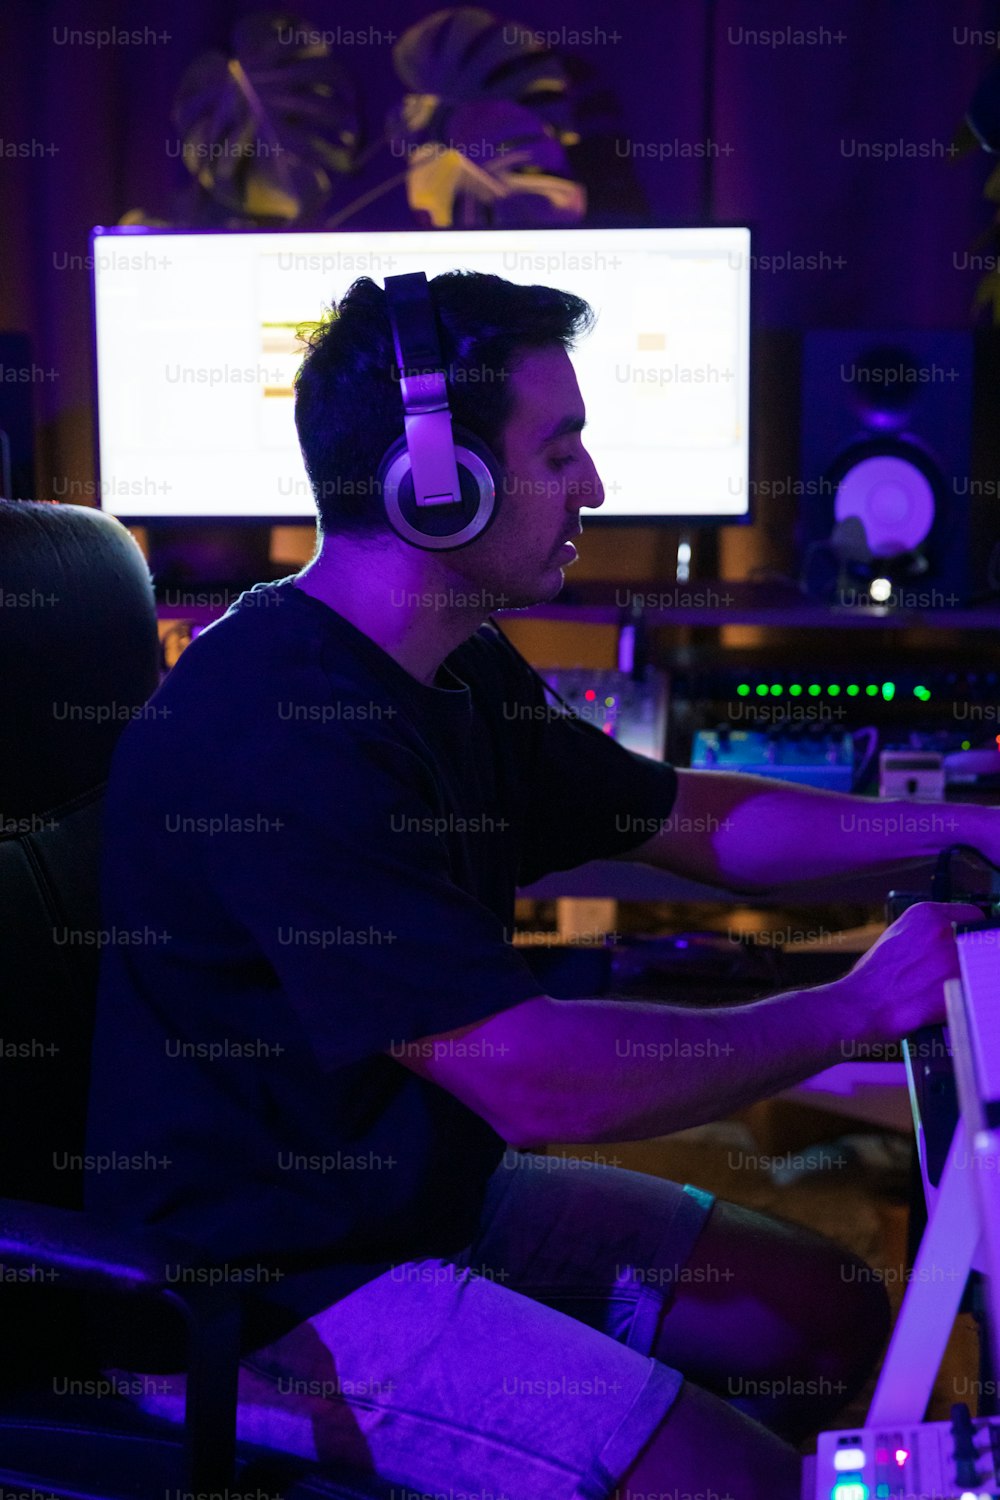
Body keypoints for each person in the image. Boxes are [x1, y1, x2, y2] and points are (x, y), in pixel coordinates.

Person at [86, 271, 991, 1500]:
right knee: (751, 1489)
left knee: (819, 1312)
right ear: (436, 482)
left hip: (416, 1192)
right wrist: (848, 1008)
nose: (596, 487)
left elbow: (687, 819)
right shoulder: (279, 732)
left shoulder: (444, 659)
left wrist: (965, 829)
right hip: (268, 1291)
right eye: (560, 448)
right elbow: (531, 1079)